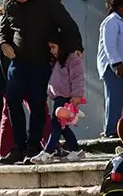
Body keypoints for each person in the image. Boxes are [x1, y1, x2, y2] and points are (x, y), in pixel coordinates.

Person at [0, 0, 83, 164]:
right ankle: (19, 146)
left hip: (41, 61)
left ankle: (32, 147)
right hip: (18, 61)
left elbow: (67, 24)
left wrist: (75, 46)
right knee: (12, 101)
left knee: (37, 105)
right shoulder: (11, 4)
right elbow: (2, 27)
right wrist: (3, 43)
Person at [32, 35, 86, 164]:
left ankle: (48, 151)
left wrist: (77, 95)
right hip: (58, 97)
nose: (51, 50)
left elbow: (77, 77)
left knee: (56, 124)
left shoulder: (72, 59)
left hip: (66, 97)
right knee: (63, 126)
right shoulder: (58, 61)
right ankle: (76, 150)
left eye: (53, 47)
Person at [97, 0, 123, 138]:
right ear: (120, 7)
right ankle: (110, 130)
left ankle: (116, 128)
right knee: (114, 99)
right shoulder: (111, 22)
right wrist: (116, 63)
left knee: (120, 100)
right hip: (115, 68)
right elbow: (109, 45)